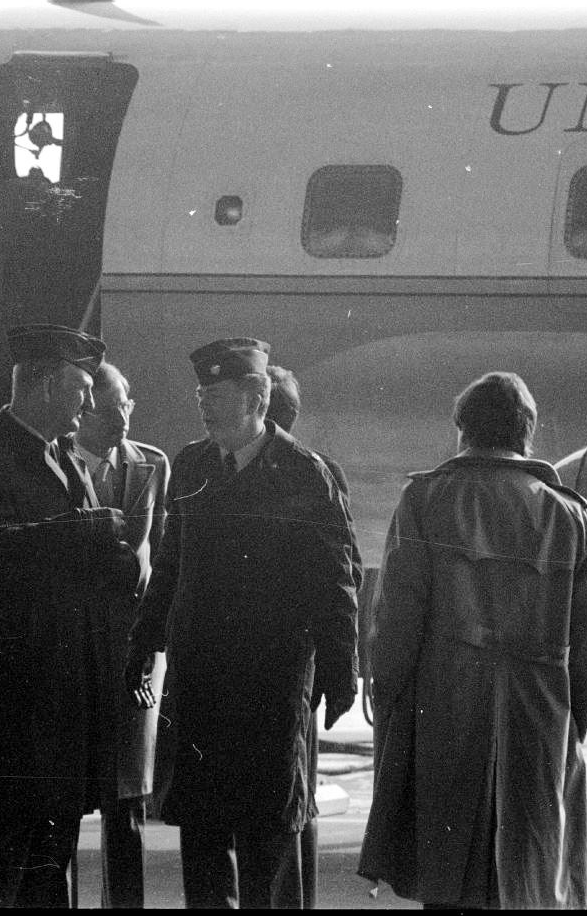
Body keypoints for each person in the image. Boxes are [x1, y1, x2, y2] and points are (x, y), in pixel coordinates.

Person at [125, 337, 359, 909]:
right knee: (202, 835)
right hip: (201, 680)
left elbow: (337, 581)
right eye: (200, 391)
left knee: (267, 839)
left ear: (257, 396)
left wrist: (339, 670)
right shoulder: (193, 464)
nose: (202, 402)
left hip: (270, 687)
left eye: (216, 391)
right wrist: (144, 644)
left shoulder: (305, 474)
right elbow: (172, 563)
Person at [358, 371, 587, 910]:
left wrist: (386, 696)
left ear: (462, 430)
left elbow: (397, 621)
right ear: (527, 434)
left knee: (448, 878)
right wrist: (574, 722)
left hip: (445, 715)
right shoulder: (571, 515)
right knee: (532, 878)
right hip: (540, 722)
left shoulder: (425, 500)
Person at [0, 323, 132, 909]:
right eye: (80, 390)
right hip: (12, 708)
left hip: (61, 708)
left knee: (49, 869)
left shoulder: (61, 460)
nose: (89, 405)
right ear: (46, 387)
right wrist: (91, 531)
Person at [71, 361, 171, 908]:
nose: (125, 416)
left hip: (133, 654)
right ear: (84, 412)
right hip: (76, 650)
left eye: (128, 404)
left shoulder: (151, 465)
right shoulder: (56, 464)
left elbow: (158, 552)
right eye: (112, 408)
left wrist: (151, 644)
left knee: (126, 802)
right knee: (63, 804)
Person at [265, 364, 365, 909]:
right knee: (297, 796)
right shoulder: (323, 470)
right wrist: (339, 667)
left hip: (267, 663)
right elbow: (342, 574)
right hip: (298, 663)